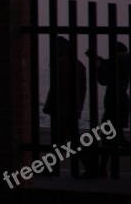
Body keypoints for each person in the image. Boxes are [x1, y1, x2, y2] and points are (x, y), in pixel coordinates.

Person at [87, 42, 131, 178]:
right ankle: (102, 168)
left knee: (110, 138)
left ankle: (102, 169)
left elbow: (103, 80)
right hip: (121, 105)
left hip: (115, 105)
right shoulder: (124, 64)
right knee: (114, 139)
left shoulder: (118, 64)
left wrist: (97, 64)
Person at [42, 37, 88, 176]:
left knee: (68, 140)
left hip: (62, 107)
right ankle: (48, 168)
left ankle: (90, 167)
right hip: (72, 107)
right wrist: (79, 107)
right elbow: (83, 89)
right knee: (63, 139)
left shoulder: (60, 63)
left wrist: (49, 105)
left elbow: (56, 87)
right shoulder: (79, 65)